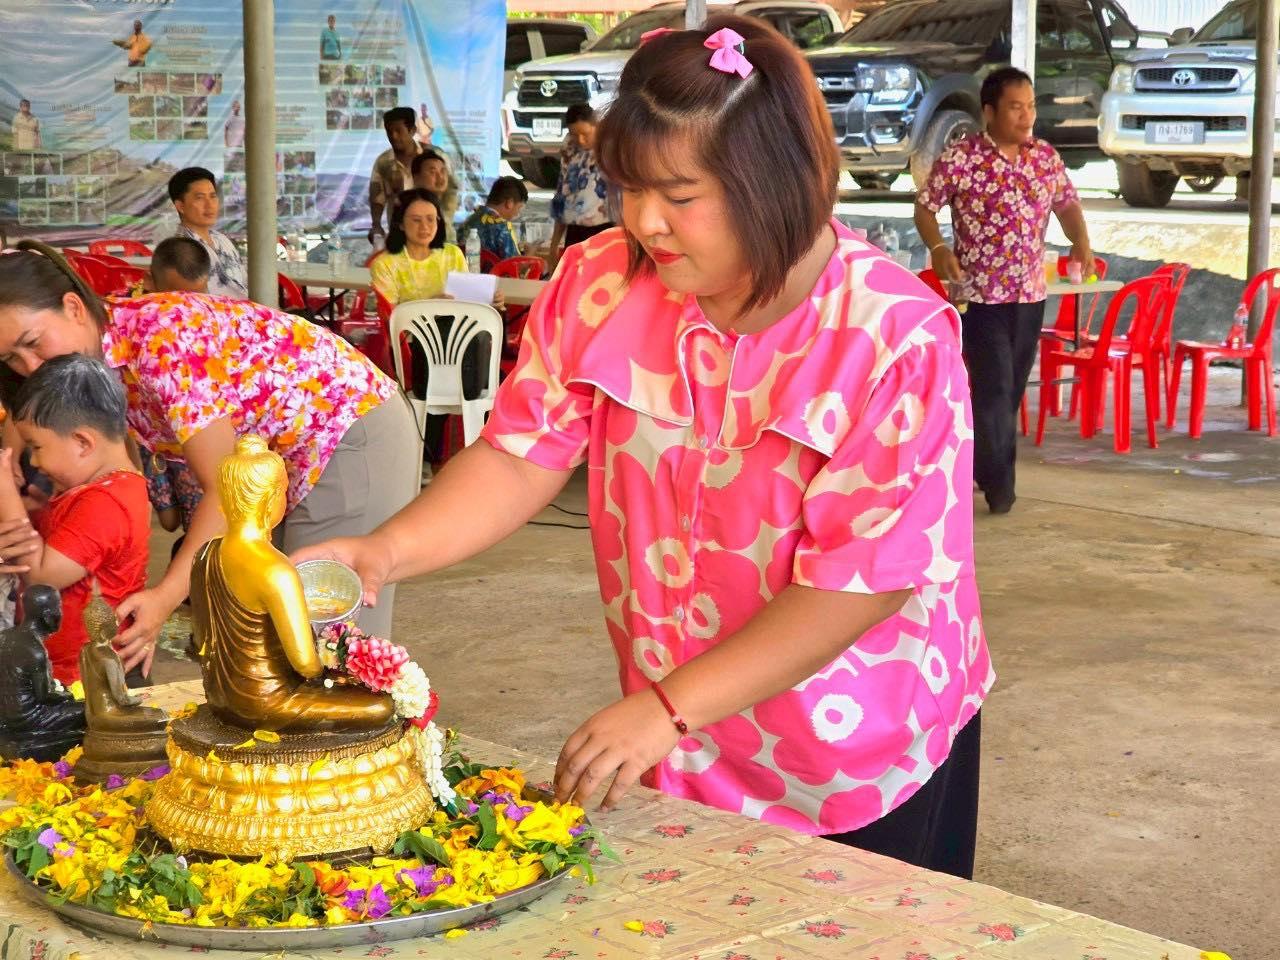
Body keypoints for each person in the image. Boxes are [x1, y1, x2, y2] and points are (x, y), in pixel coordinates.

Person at [297, 17, 991, 879]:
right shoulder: (601, 281)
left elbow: (857, 586)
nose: (645, 221)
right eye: (630, 188)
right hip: (680, 737)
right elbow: (519, 456)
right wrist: (382, 550)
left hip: (854, 751)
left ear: (776, 180)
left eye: (680, 194)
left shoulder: (893, 339)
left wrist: (668, 708)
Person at [0, 242, 420, 675]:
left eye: (32, 342)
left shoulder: (159, 342)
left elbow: (225, 493)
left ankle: (363, 741)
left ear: (73, 307)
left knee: (327, 638)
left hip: (346, 431)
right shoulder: (93, 367)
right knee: (269, 636)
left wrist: (164, 598)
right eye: (12, 358)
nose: (30, 366)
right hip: (275, 462)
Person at [915, 66, 1095, 515]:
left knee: (1010, 390)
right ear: (990, 111)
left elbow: (1067, 204)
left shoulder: (1045, 157)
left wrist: (1081, 242)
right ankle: (1001, 489)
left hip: (1030, 295)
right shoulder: (961, 158)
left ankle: (978, 463)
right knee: (993, 389)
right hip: (979, 296)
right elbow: (924, 207)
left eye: (1030, 106)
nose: (1026, 115)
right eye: (1016, 107)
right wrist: (938, 247)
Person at [0, 355, 150, 686]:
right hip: (70, 671)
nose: (35, 463)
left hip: (87, 681)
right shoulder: (97, 490)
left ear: (83, 442)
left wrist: (6, 496)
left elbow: (41, 577)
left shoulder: (106, 502)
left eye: (36, 447)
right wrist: (37, 513)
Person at [547, 103, 613, 268]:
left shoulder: (611, 148)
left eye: (586, 133)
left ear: (596, 126)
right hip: (575, 231)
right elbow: (562, 195)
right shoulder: (569, 148)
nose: (580, 140)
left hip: (606, 230)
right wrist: (554, 243)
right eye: (574, 134)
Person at [167, 167, 248, 300]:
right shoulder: (180, 250)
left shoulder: (222, 240)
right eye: (200, 198)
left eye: (213, 196)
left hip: (249, 312)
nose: (209, 205)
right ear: (180, 206)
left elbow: (245, 283)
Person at [368, 106, 422, 244]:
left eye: (398, 131)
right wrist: (376, 225)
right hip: (399, 236)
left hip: (430, 233)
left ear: (412, 130)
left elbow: (449, 194)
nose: (393, 136)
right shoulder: (383, 162)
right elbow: (377, 198)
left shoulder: (433, 158)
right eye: (389, 131)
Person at [460, 177, 528, 263]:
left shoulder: (469, 220)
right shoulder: (502, 227)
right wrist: (530, 253)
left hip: (464, 274)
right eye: (519, 207)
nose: (517, 213)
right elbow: (515, 265)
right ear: (509, 203)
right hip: (493, 275)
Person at [410, 149, 461, 244]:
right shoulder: (410, 209)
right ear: (416, 178)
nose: (440, 177)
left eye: (443, 171)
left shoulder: (446, 205)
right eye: (432, 172)